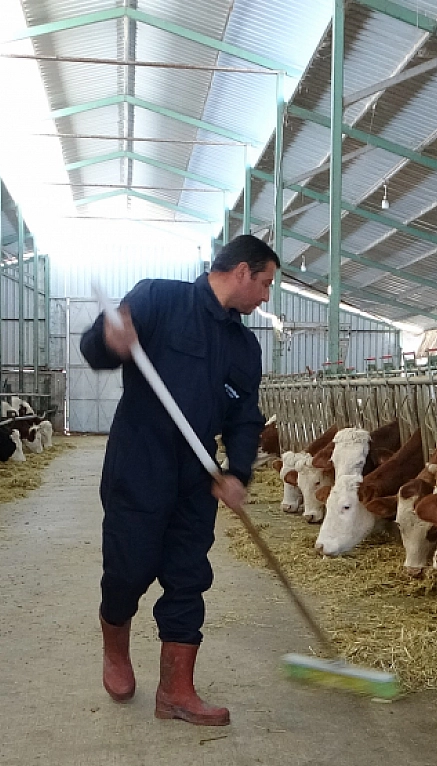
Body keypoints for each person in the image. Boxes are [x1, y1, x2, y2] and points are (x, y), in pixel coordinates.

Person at [79, 235, 277, 727]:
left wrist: (238, 472)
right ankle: (115, 642)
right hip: (139, 459)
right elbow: (94, 348)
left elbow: (245, 417)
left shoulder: (243, 346)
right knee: (130, 567)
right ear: (242, 272)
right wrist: (111, 340)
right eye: (267, 283)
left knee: (189, 575)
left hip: (197, 472)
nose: (267, 296)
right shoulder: (158, 299)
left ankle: (176, 690)